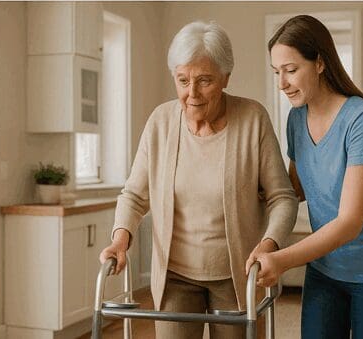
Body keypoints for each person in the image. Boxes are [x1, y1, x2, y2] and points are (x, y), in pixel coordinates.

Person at [100, 21, 296, 338]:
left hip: (238, 273)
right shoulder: (160, 123)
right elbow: (135, 195)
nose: (191, 93)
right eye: (182, 80)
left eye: (204, 80)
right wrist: (120, 240)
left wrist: (268, 245)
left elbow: (282, 197)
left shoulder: (252, 119)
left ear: (225, 78)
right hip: (175, 274)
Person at [248, 15, 363, 338]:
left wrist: (281, 260)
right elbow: (296, 189)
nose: (282, 83)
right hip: (325, 271)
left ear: (320, 62)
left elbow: (349, 222)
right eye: (276, 72)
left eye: (291, 70)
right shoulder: (296, 119)